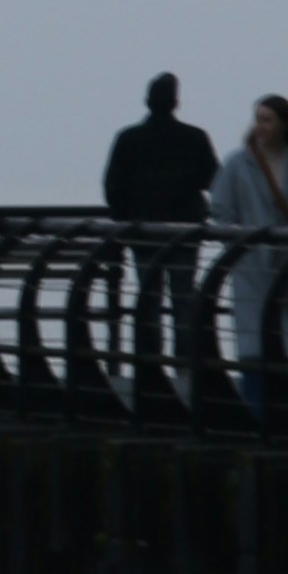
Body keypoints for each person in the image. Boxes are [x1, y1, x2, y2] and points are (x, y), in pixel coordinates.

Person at [103, 72, 217, 390]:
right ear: (176, 101)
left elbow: (113, 187)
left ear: (147, 100)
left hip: (144, 234)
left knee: (148, 300)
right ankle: (184, 366)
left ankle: (149, 364)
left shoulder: (128, 139)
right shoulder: (195, 138)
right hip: (184, 233)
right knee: (182, 299)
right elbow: (212, 179)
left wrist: (126, 221)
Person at [204, 93, 288, 388]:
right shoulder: (237, 164)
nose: (261, 126)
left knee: (286, 342)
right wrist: (237, 243)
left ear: (283, 124)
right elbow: (220, 208)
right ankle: (257, 407)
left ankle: (286, 406)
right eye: (258, 120)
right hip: (250, 266)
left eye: (267, 120)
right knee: (254, 343)